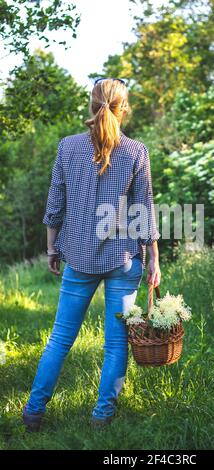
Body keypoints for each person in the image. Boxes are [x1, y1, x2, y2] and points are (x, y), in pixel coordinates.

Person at [22, 77, 161, 432]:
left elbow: (56, 203)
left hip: (79, 255)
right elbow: (144, 210)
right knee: (115, 346)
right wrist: (155, 260)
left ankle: (33, 413)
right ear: (123, 108)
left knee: (60, 338)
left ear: (91, 105)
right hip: (123, 258)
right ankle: (102, 419)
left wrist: (53, 247)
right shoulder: (135, 151)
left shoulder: (67, 147)